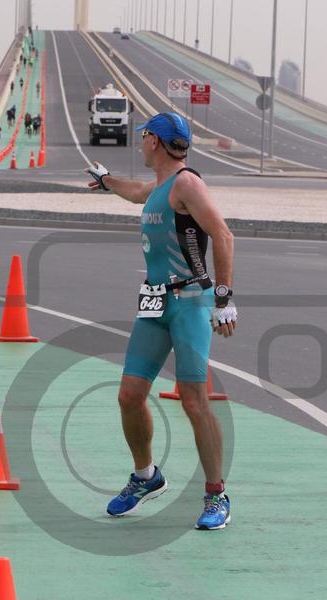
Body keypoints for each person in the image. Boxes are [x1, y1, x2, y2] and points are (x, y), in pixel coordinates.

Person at [86, 112, 237, 531]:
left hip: (190, 302)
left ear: (154, 140)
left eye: (144, 136)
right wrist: (107, 181)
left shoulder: (187, 183)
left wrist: (224, 299)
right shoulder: (160, 187)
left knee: (194, 401)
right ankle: (146, 476)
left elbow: (223, 235)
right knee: (129, 395)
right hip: (155, 303)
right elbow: (136, 192)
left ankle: (216, 495)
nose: (140, 142)